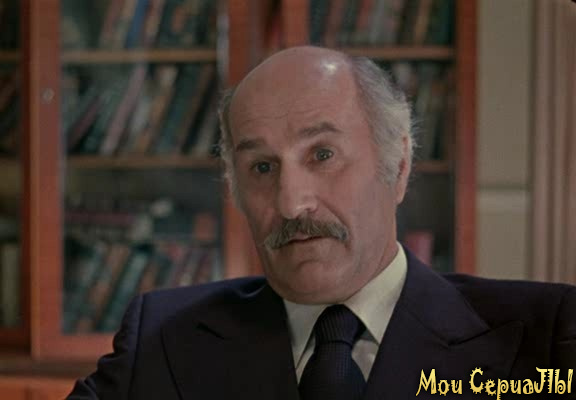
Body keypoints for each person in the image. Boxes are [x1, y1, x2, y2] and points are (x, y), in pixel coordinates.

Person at [67, 46, 576, 400]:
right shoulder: (161, 341)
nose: (292, 204)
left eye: (323, 154)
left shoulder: (547, 340)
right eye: (261, 168)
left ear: (398, 166)